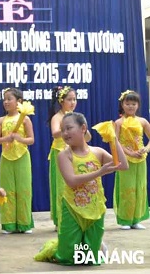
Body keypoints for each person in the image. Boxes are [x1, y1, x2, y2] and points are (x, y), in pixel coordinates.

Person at [34, 112, 128, 265]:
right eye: (62, 129)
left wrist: (114, 139)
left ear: (83, 128)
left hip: (95, 208)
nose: (64, 133)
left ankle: (98, 246)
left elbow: (123, 165)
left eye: (69, 128)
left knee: (89, 260)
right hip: (72, 208)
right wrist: (100, 172)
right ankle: (53, 248)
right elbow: (71, 181)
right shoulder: (64, 156)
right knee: (67, 259)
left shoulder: (98, 152)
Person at [47, 86, 92, 229]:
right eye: (69, 99)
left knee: (76, 186)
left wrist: (81, 129)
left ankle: (75, 218)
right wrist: (68, 128)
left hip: (76, 155)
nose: (73, 102)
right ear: (61, 101)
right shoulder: (58, 117)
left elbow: (88, 137)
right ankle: (61, 220)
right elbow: (55, 133)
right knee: (61, 187)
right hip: (60, 153)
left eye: (74, 99)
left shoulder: (77, 118)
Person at [0, 88, 34, 234]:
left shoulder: (25, 119)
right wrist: (6, 138)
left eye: (9, 99)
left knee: (23, 189)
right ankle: (8, 223)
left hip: (22, 156)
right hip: (6, 157)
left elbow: (31, 139)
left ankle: (24, 223)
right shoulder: (0, 120)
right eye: (4, 99)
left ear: (19, 102)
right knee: (7, 189)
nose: (6, 102)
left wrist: (20, 139)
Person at [113, 90, 150, 230]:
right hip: (125, 160)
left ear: (138, 105)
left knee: (139, 188)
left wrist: (146, 149)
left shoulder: (143, 121)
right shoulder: (118, 122)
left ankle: (136, 219)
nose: (130, 106)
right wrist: (130, 153)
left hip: (141, 160)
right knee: (126, 188)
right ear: (122, 104)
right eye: (127, 103)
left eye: (133, 104)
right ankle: (125, 220)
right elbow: (115, 142)